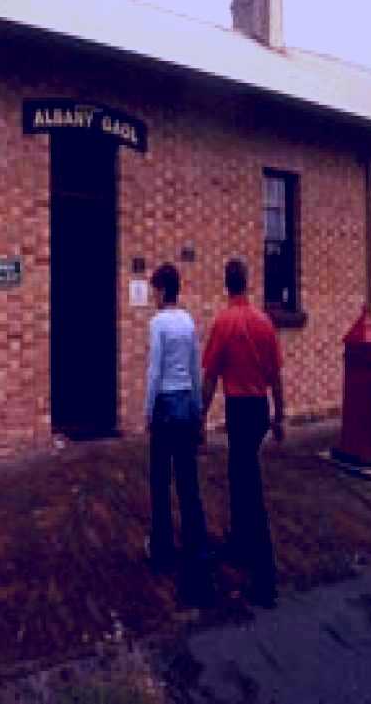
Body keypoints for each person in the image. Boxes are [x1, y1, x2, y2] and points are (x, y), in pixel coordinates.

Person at [201, 258, 285, 608]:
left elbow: (209, 378)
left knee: (248, 486)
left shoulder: (223, 322)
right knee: (240, 476)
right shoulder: (264, 322)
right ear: (247, 283)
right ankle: (238, 544)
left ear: (226, 284)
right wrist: (281, 416)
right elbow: (276, 377)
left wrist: (200, 420)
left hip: (238, 408)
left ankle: (265, 580)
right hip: (259, 409)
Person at [145, 263, 213, 603]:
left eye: (155, 289)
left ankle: (162, 550)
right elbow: (195, 367)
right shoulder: (188, 322)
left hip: (165, 406)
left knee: (160, 480)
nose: (153, 295)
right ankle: (197, 551)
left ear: (161, 290)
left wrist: (147, 409)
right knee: (188, 483)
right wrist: (199, 410)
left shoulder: (157, 324)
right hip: (187, 405)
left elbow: (155, 371)